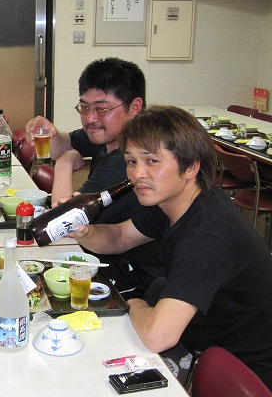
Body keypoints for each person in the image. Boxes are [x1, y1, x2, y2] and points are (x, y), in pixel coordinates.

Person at [72, 105, 272, 389]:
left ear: (191, 167)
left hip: (240, 371)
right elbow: (119, 237)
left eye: (152, 161)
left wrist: (131, 302)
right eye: (131, 161)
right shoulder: (176, 200)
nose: (137, 174)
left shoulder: (208, 236)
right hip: (200, 334)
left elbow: (158, 336)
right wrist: (84, 231)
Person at [25, 57, 164, 297]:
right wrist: (48, 132)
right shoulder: (111, 136)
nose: (90, 118)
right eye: (84, 107)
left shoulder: (127, 163)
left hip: (134, 275)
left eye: (101, 108)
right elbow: (65, 143)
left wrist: (64, 164)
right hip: (106, 248)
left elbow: (62, 220)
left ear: (134, 107)